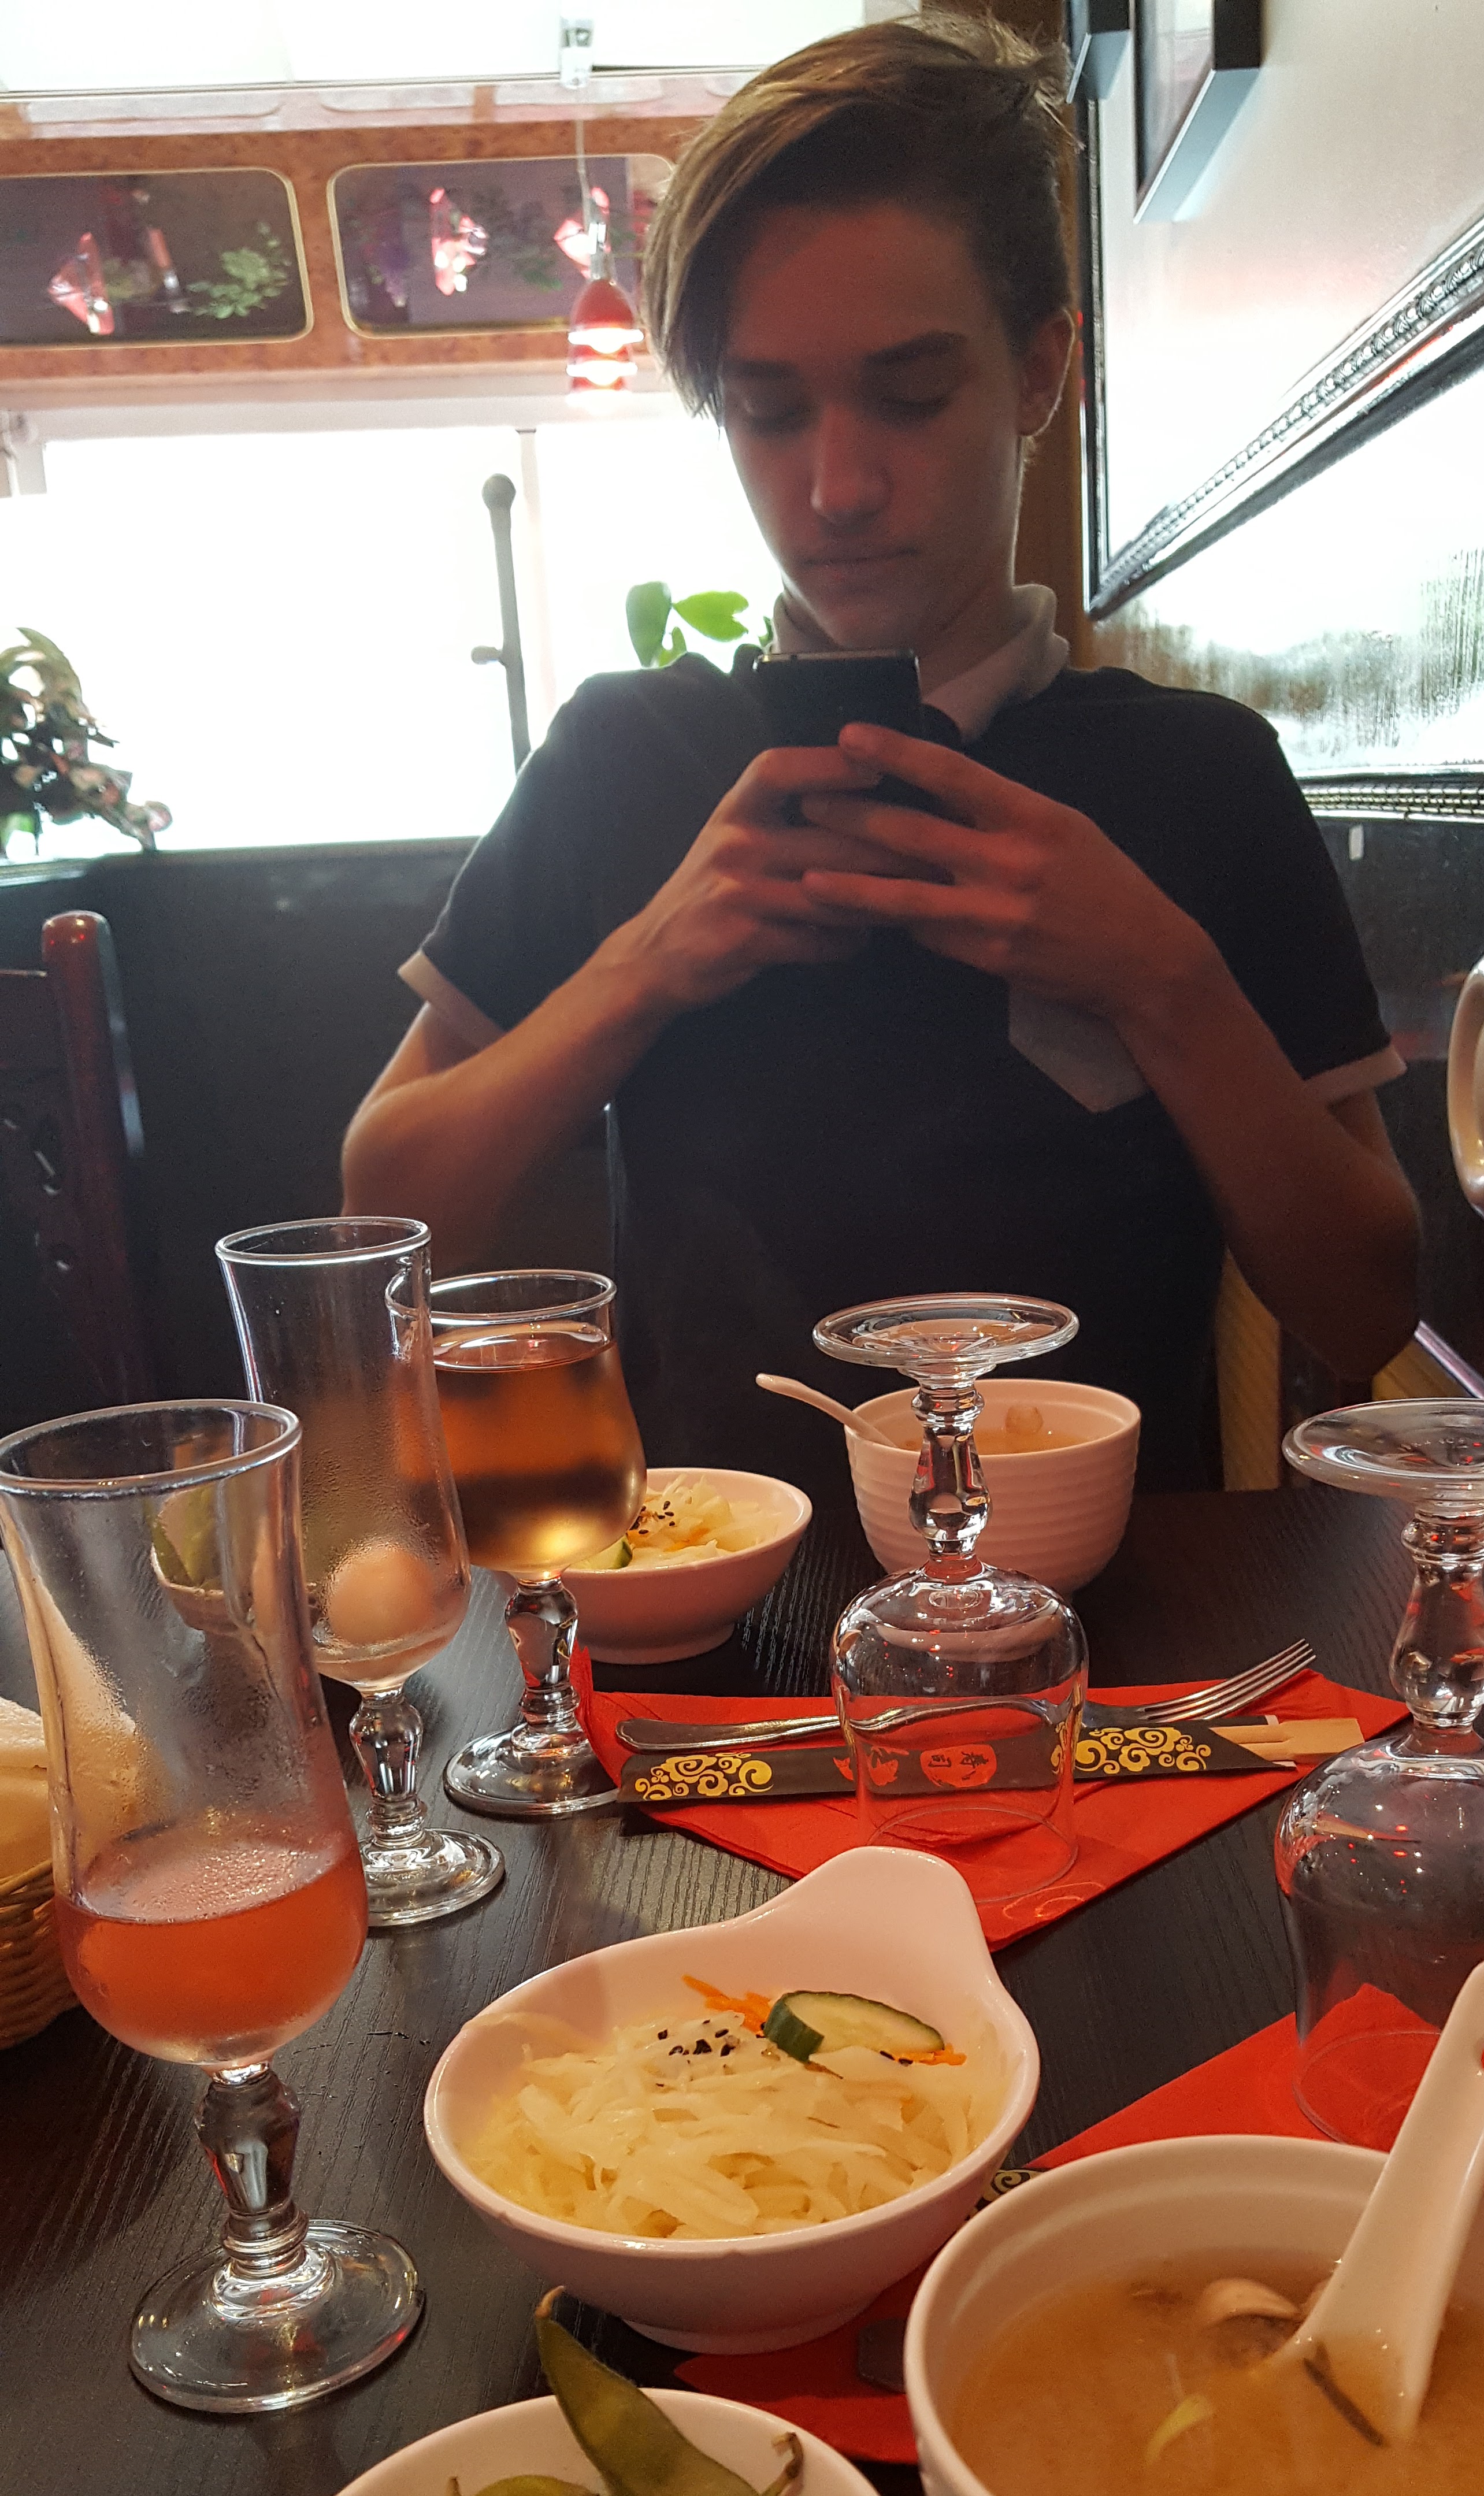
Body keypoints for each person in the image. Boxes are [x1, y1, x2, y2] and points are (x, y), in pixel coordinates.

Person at [342, 12, 1418, 1488]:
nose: (837, 486)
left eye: (911, 395)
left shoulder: (1201, 774)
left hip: (1108, 1603)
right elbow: (383, 1219)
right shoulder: (625, 755)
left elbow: (1365, 1307)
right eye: (769, 412)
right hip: (715, 1585)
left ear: (1041, 370)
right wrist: (647, 962)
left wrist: (1159, 978)